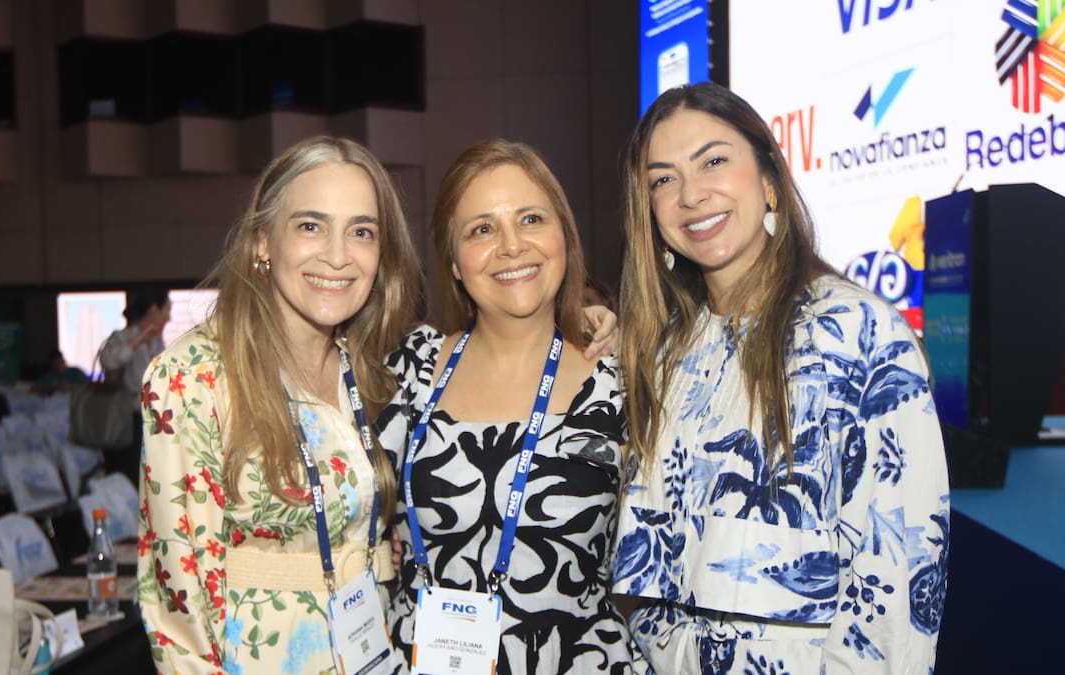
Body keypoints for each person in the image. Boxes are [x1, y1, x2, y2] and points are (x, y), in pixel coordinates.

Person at [611, 82, 949, 673]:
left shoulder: (859, 332)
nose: (690, 193)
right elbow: (647, 564)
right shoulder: (664, 353)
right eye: (662, 179)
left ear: (769, 180)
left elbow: (901, 568)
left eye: (713, 160)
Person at [137, 136, 422, 674]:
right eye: (311, 226)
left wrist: (590, 325)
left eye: (361, 231)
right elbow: (179, 603)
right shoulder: (193, 377)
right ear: (263, 241)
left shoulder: (369, 368)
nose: (338, 255)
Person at [378, 140, 644, 674]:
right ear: (453, 261)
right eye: (481, 229)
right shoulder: (409, 367)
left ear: (564, 237)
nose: (511, 245)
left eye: (530, 219)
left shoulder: (625, 381)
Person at [99, 286, 170, 481]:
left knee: (150, 480)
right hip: (125, 421)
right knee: (126, 476)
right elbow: (109, 361)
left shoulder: (157, 342)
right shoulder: (122, 337)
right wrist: (138, 339)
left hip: (151, 420)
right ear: (154, 310)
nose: (168, 317)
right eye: (166, 311)